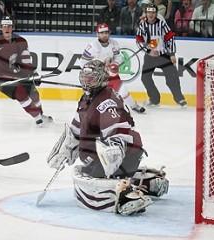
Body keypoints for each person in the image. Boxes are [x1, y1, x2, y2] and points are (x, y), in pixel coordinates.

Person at [47, 60, 169, 215]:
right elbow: (77, 126)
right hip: (108, 156)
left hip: (123, 155)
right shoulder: (87, 98)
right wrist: (66, 148)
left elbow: (118, 134)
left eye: (91, 77)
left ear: (101, 78)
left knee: (89, 181)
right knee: (87, 172)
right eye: (85, 77)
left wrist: (110, 162)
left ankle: (126, 196)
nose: (86, 81)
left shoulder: (107, 102)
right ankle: (148, 182)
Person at [0, 16, 53, 126]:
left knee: (34, 94)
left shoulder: (21, 41)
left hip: (17, 74)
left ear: (12, 27)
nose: (7, 28)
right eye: (4, 26)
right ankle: (38, 118)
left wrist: (32, 73)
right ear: (0, 28)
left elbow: (25, 60)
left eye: (9, 26)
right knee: (20, 93)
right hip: (0, 77)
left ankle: (40, 114)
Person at [79, 22, 145, 114]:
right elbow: (82, 62)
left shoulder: (114, 43)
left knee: (123, 90)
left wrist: (115, 63)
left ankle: (134, 106)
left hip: (110, 73)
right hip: (95, 76)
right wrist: (94, 69)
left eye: (106, 32)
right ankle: (85, 108)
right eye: (101, 33)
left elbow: (118, 57)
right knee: (91, 95)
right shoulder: (92, 46)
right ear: (97, 34)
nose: (104, 35)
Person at [136, 3, 187, 107]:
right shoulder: (142, 25)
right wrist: (148, 50)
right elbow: (138, 40)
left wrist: (172, 54)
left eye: (153, 12)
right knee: (145, 78)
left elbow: (170, 37)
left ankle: (180, 99)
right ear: (146, 13)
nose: (151, 14)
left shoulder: (162, 24)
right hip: (150, 57)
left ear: (156, 13)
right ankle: (154, 99)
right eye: (149, 12)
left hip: (164, 55)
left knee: (172, 77)